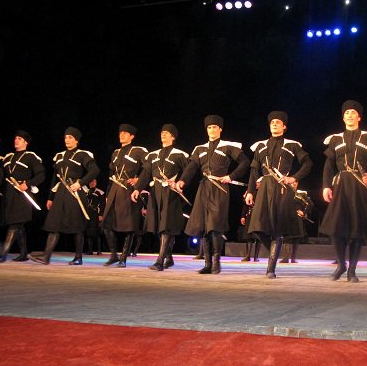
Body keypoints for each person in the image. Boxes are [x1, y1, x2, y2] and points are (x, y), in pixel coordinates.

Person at [320, 100, 367, 283]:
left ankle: (352, 270)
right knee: (335, 227)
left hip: (360, 187)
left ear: (359, 117)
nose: (349, 115)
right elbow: (329, 165)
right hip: (341, 185)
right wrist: (326, 186)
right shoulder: (335, 139)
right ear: (343, 117)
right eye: (346, 113)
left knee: (357, 228)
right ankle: (341, 265)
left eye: (353, 112)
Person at [177, 115, 250, 274]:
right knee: (203, 226)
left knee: (215, 226)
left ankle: (216, 263)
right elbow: (192, 167)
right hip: (204, 188)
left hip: (219, 189)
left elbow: (245, 162)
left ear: (220, 129)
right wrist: (182, 180)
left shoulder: (228, 146)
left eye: (214, 127)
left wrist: (231, 176)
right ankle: (207, 264)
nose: (211, 130)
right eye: (209, 127)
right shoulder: (200, 148)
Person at [245, 111, 313, 279]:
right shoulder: (260, 146)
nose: (274, 124)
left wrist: (293, 178)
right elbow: (254, 171)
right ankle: (274, 252)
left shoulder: (292, 145)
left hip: (282, 188)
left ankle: (271, 269)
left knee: (277, 230)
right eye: (272, 122)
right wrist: (250, 191)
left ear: (284, 126)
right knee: (256, 228)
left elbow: (307, 163)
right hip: (264, 188)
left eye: (278, 122)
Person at [30, 127, 100, 265]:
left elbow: (95, 170)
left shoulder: (82, 154)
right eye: (65, 137)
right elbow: (55, 178)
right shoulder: (60, 156)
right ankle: (46, 256)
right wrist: (50, 197)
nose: (67, 140)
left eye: (70, 137)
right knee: (54, 223)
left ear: (76, 140)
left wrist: (80, 183)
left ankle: (78, 257)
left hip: (75, 192)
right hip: (61, 192)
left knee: (77, 225)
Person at [131, 124, 189, 271]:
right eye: (162, 132)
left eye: (167, 133)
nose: (163, 134)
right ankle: (169, 258)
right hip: (155, 192)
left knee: (166, 226)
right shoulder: (153, 155)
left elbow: (188, 171)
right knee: (157, 226)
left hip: (170, 193)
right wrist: (137, 189)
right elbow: (145, 174)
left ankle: (160, 260)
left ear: (173, 137)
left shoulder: (179, 154)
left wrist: (180, 182)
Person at [102, 124, 148, 267]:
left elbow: (148, 167)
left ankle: (123, 258)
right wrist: (108, 193)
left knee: (129, 225)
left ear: (132, 136)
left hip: (128, 190)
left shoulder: (138, 150)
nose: (121, 135)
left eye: (125, 133)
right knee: (106, 224)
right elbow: (111, 174)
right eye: (120, 133)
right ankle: (114, 255)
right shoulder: (115, 152)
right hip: (114, 189)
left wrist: (138, 180)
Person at [0, 131, 45, 263]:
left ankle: (3, 253)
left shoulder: (30, 157)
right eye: (15, 138)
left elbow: (41, 175)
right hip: (10, 195)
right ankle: (23, 253)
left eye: (20, 139)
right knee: (18, 225)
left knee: (15, 223)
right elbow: (0, 175)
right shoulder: (8, 158)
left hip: (23, 195)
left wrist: (28, 184)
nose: (16, 140)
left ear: (25, 142)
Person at [280, 181, 314, 263]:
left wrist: (304, 212)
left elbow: (310, 204)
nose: (294, 183)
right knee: (286, 238)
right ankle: (285, 257)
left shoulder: (301, 193)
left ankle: (293, 258)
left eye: (296, 182)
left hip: (297, 218)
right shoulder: (285, 192)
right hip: (287, 217)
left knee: (296, 238)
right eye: (293, 182)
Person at [84, 179, 105, 255]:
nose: (92, 183)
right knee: (89, 232)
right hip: (87, 214)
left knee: (97, 232)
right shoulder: (86, 191)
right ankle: (90, 250)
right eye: (91, 181)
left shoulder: (100, 192)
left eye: (94, 182)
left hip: (96, 214)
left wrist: (101, 214)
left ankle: (99, 250)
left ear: (96, 183)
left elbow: (102, 204)